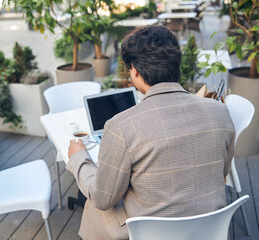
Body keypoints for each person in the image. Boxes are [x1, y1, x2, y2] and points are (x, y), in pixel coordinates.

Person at [67, 25, 235, 240]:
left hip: (152, 233)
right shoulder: (220, 111)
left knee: (97, 202)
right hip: (211, 228)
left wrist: (79, 158)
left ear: (135, 71)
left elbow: (103, 199)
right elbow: (223, 172)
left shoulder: (121, 126)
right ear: (176, 65)